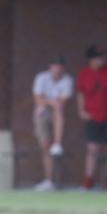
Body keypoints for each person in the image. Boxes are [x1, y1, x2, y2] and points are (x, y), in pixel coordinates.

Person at [75, 45, 107, 190]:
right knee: (92, 148)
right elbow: (80, 94)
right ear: (90, 60)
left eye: (102, 57)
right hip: (93, 116)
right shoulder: (84, 73)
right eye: (97, 58)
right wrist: (81, 110)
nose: (100, 60)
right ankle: (88, 180)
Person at [30, 56, 73, 191]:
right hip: (42, 111)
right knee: (45, 146)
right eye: (55, 66)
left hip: (57, 111)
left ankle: (58, 143)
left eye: (60, 66)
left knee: (58, 110)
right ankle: (48, 180)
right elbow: (38, 98)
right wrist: (50, 102)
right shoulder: (41, 77)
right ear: (50, 67)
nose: (57, 69)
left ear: (63, 68)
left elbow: (64, 102)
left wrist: (52, 103)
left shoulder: (67, 80)